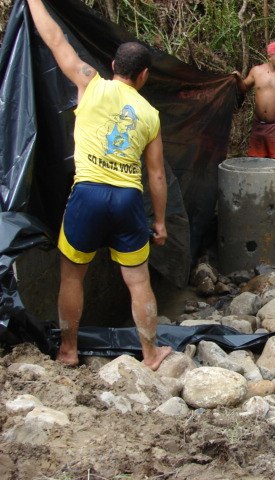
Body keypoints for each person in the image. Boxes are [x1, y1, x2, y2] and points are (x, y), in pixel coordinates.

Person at [26, 0, 172, 370]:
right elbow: (156, 175)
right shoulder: (150, 116)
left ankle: (69, 350)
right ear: (143, 77)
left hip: (87, 195)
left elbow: (55, 39)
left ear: (113, 67)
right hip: (127, 199)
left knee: (72, 275)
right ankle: (151, 354)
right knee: (138, 282)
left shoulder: (89, 82)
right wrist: (160, 222)